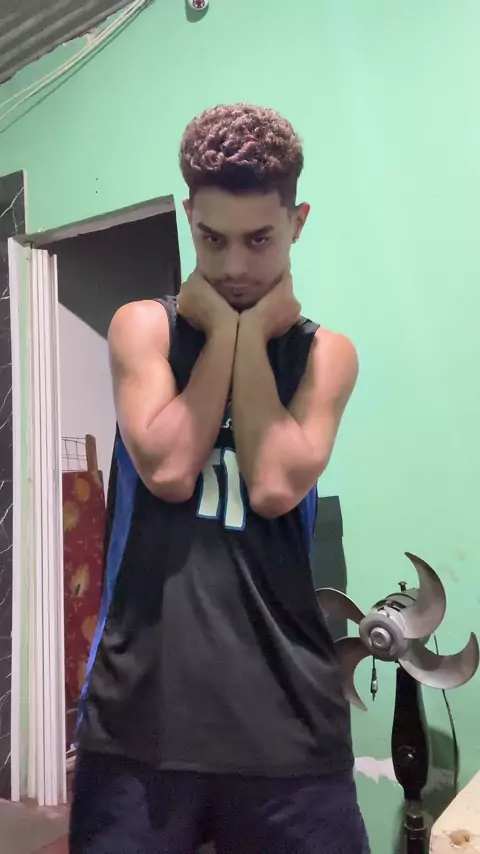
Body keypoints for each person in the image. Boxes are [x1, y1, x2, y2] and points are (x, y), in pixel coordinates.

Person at [70, 103, 369, 854]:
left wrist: (246, 332)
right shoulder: (143, 327)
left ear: (297, 222)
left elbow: (272, 483)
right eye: (212, 239)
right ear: (188, 218)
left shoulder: (326, 355)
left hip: (288, 725)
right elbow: (171, 468)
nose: (234, 265)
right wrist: (229, 337)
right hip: (141, 723)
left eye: (259, 239)